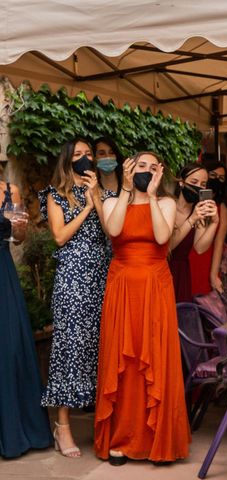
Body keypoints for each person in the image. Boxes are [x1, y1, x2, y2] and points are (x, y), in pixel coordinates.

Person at [94, 152, 191, 465]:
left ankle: (156, 441)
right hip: (121, 285)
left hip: (155, 284)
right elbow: (115, 230)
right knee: (123, 359)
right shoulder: (111, 201)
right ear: (128, 168)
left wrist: (150, 196)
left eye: (153, 167)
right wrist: (125, 190)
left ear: (160, 173)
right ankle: (120, 440)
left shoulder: (165, 203)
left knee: (155, 354)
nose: (146, 171)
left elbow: (163, 237)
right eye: (141, 166)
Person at [39, 138, 110, 457]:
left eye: (89, 154)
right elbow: (59, 236)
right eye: (77, 155)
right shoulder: (55, 194)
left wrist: (95, 195)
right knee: (70, 347)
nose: (85, 159)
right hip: (72, 279)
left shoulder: (104, 192)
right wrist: (84, 207)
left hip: (103, 277)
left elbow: (112, 233)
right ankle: (63, 426)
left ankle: (103, 422)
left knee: (99, 347)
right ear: (67, 160)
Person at [0, 172, 53, 458]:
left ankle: (15, 430)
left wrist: (18, 229)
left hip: (2, 273)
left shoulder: (11, 190)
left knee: (9, 348)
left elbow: (18, 239)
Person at [169, 163, 219, 302]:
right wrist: (192, 219)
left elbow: (200, 248)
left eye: (203, 184)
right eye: (194, 182)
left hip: (182, 273)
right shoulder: (167, 205)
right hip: (162, 268)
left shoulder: (198, 211)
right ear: (181, 183)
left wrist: (214, 223)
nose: (198, 187)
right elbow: (168, 246)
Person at [189, 160, 227, 298]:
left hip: (206, 258)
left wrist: (214, 274)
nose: (216, 180)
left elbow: (219, 242)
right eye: (213, 175)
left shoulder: (222, 207)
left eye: (221, 178)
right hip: (186, 255)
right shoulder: (189, 199)